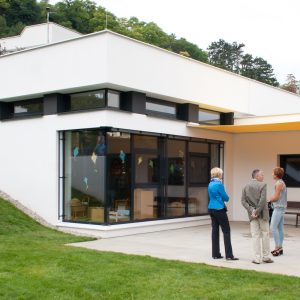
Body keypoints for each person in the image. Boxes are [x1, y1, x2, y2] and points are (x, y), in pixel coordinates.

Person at [241, 169, 273, 264]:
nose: (263, 176)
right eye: (262, 175)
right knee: (265, 234)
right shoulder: (263, 185)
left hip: (252, 215)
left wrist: (252, 211)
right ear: (257, 176)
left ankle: (257, 258)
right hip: (262, 214)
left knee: (255, 236)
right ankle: (266, 257)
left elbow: (243, 201)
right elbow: (263, 200)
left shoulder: (245, 186)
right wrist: (257, 211)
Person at [208, 167, 238, 260]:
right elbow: (226, 198)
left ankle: (215, 254)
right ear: (219, 174)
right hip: (219, 209)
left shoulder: (210, 183)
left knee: (215, 231)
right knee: (226, 231)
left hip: (211, 208)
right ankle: (229, 255)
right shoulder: (219, 184)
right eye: (221, 173)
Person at [268, 167, 287, 257]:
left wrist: (268, 200)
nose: (272, 174)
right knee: (280, 228)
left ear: (276, 175)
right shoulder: (281, 182)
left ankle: (277, 247)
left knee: (273, 227)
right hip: (281, 208)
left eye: (272, 173)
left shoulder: (279, 183)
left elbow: (276, 197)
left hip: (278, 208)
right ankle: (280, 247)